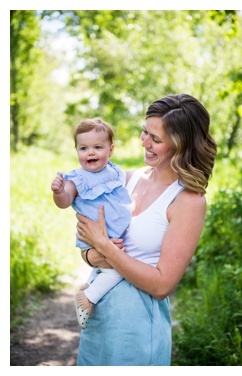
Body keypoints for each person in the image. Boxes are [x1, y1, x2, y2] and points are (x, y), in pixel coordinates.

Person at [74, 94, 217, 365]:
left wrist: (103, 247)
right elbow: (87, 239)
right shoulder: (125, 178)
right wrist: (91, 255)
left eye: (157, 139)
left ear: (181, 146)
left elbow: (162, 285)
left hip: (136, 327)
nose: (145, 142)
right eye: (145, 131)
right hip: (98, 315)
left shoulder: (188, 202)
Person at [51, 118, 133, 330]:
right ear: (76, 150)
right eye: (84, 148)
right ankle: (88, 297)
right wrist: (59, 192)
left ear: (110, 150)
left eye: (98, 147)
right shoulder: (76, 178)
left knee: (116, 265)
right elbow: (65, 201)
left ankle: (90, 281)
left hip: (113, 236)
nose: (91, 153)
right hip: (94, 238)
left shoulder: (115, 172)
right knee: (119, 270)